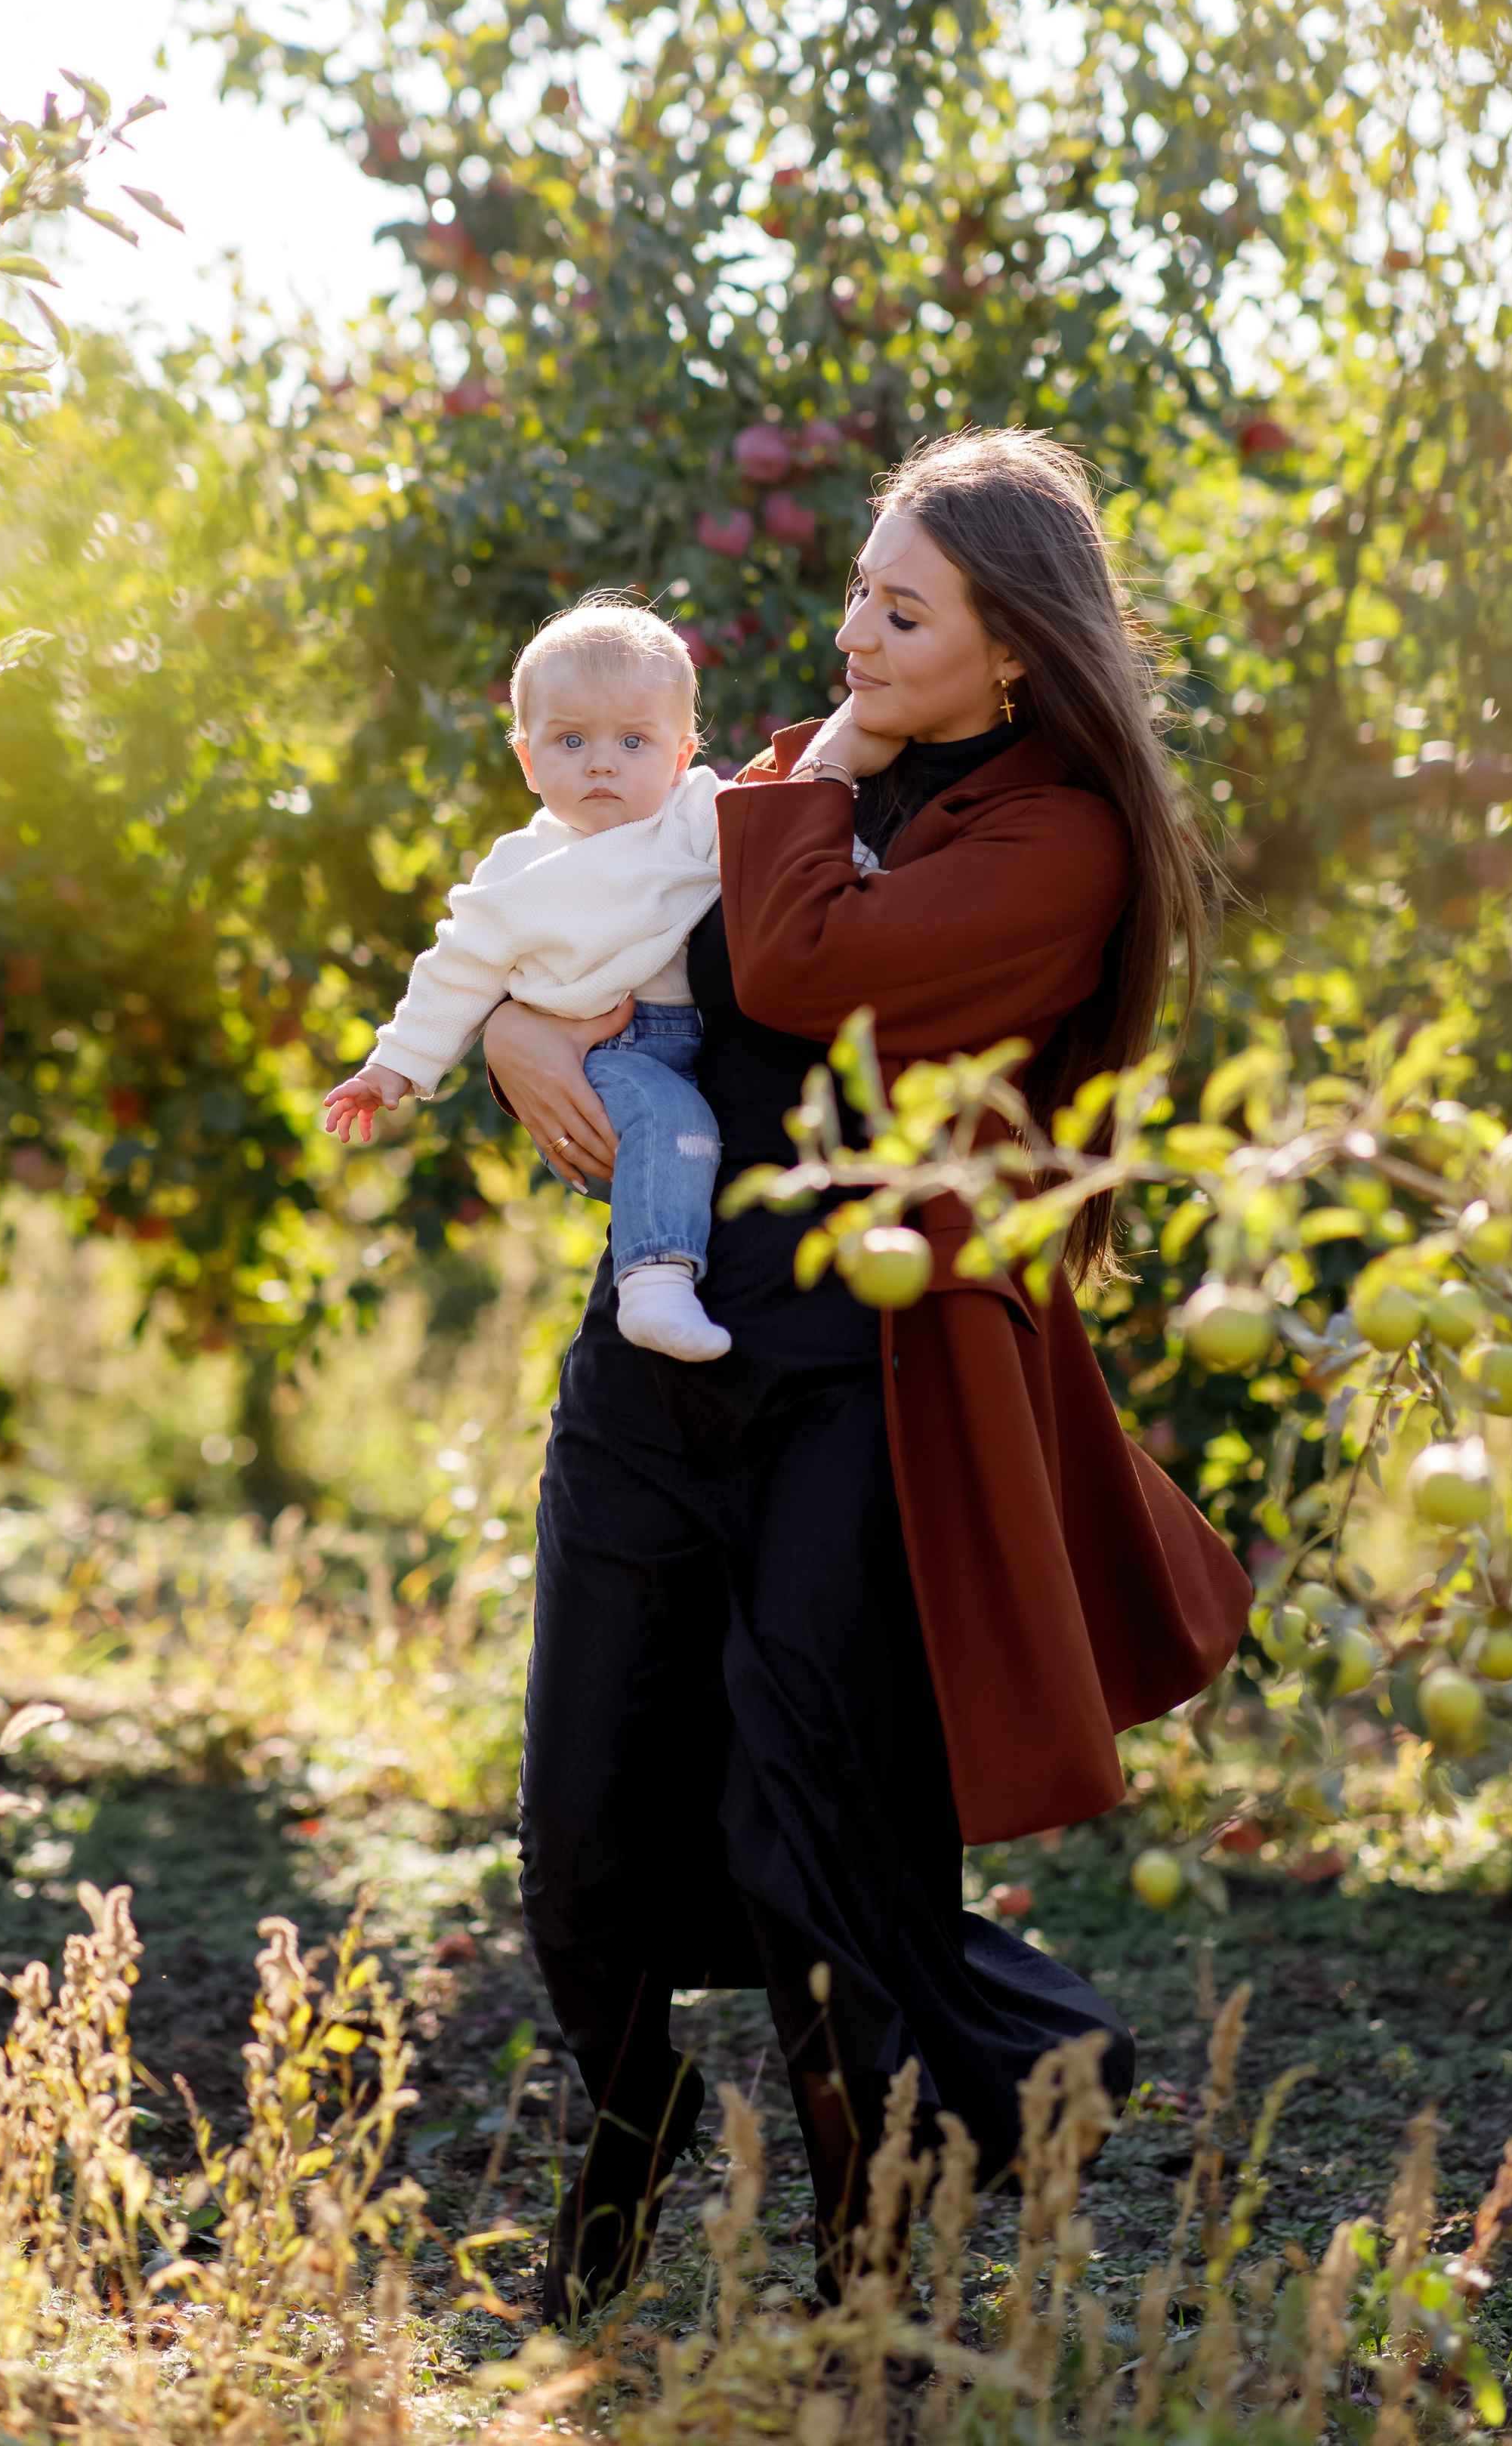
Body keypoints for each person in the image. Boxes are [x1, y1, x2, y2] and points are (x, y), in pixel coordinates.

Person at [483, 428, 1254, 2325]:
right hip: (654, 1354)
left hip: (858, 1385)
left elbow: (796, 955)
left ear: (1015, 654)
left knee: (806, 1838)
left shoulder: (1048, 834)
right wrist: (506, 1017)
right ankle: (634, 2106)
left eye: (901, 611)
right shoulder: (815, 770)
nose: (851, 634)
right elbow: (598, 915)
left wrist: (805, 781)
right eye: (855, 591)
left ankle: (876, 2249)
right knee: (580, 1837)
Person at [322, 597, 732, 1360]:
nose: (602, 762)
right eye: (571, 740)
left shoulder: (694, 816)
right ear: (528, 759)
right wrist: (394, 1067)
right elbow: (456, 968)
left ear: (680, 756)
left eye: (634, 741)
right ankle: (653, 1284)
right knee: (678, 1124)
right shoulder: (519, 869)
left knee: (696, 1138)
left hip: (690, 1038)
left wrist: (856, 861)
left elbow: (780, 841)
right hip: (608, 1059)